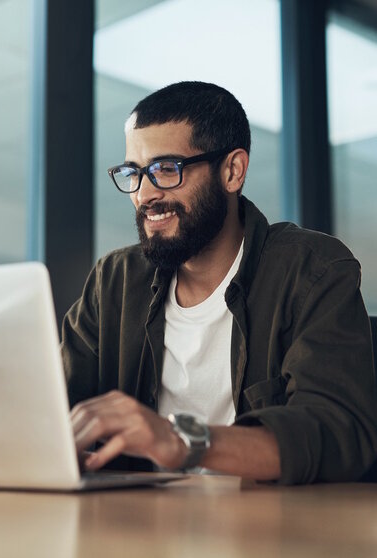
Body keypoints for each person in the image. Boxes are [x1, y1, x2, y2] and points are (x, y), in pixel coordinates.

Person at [61, 81, 377, 485]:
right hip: (138, 528)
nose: (144, 194)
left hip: (268, 530)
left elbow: (337, 431)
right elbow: (52, 406)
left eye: (165, 170)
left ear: (232, 171)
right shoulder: (114, 282)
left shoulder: (312, 269)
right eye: (134, 173)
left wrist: (184, 441)